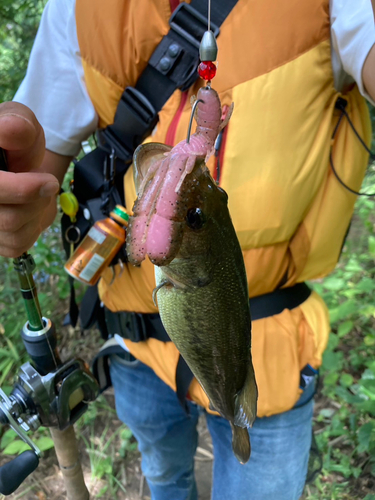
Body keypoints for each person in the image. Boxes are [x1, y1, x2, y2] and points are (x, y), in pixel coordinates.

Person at [1, 1, 375, 499]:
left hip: (268, 353)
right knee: (164, 477)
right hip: (133, 345)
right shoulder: (76, 10)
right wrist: (18, 201)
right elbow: (34, 170)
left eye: (194, 216)